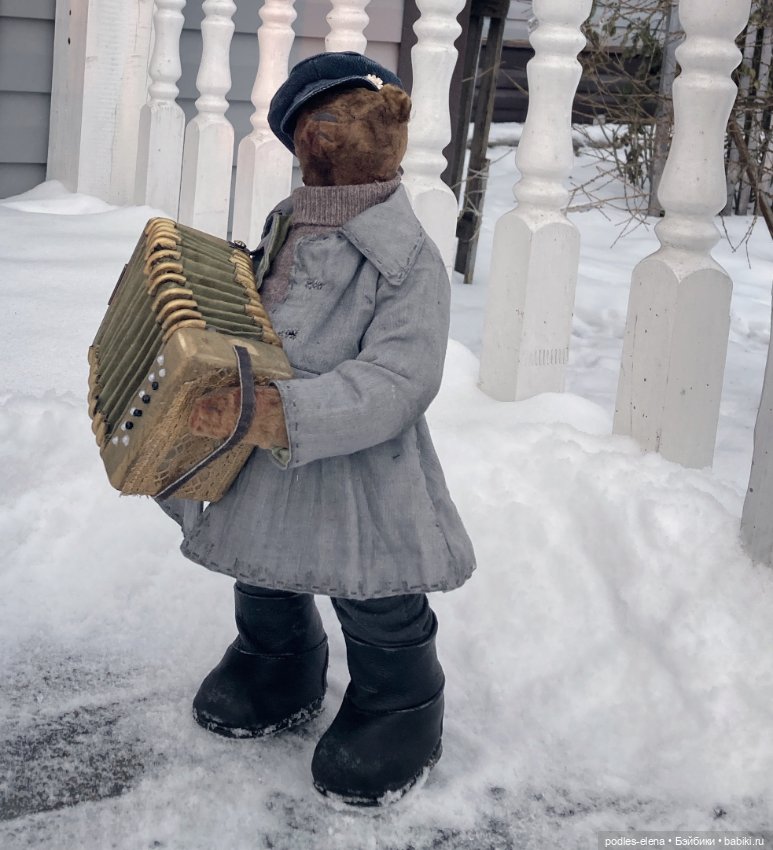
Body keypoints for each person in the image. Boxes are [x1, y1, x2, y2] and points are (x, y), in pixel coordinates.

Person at [159, 51, 476, 806]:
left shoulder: (407, 261)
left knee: (372, 584)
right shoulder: (286, 221)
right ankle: (277, 658)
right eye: (322, 124)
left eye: (354, 119)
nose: (340, 137)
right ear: (300, 138)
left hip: (359, 459)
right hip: (260, 445)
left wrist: (283, 411)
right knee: (260, 558)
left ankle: (398, 699)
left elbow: (402, 378)